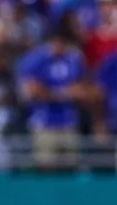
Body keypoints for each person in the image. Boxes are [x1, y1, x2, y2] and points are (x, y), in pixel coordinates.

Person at [18, 27, 89, 169]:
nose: (58, 46)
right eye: (55, 42)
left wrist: (50, 92)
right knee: (46, 166)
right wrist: (62, 93)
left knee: (71, 165)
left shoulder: (73, 60)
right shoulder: (36, 60)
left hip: (68, 122)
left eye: (62, 42)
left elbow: (83, 89)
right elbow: (32, 91)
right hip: (44, 123)